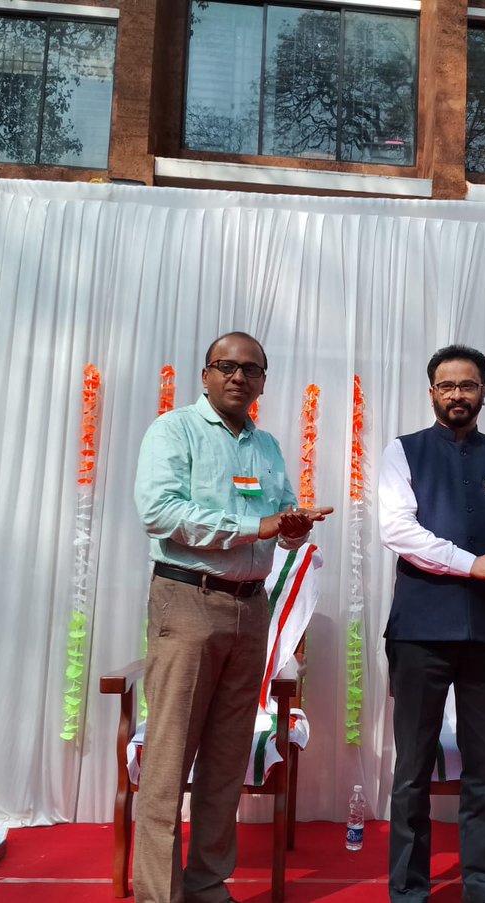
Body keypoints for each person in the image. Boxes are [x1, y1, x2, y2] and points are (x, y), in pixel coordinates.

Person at [133, 331, 332, 903]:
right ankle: (159, 895)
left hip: (251, 606)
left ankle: (208, 885)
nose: (238, 377)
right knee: (170, 759)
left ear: (263, 382)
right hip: (188, 601)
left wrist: (292, 523)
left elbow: (279, 512)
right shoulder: (174, 431)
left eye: (251, 369)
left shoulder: (266, 447)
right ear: (206, 374)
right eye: (226, 366)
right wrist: (257, 527)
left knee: (225, 760)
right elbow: (160, 511)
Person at [378, 344, 485, 903]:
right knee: (412, 770)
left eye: (468, 385)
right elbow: (400, 532)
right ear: (432, 391)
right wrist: (473, 563)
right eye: (447, 385)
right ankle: (409, 891)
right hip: (420, 630)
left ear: (484, 391)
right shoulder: (403, 452)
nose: (457, 395)